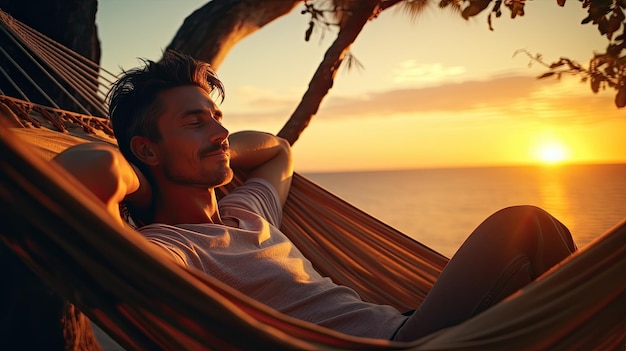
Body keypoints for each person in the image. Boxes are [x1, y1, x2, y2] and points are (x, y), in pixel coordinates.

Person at [53, 50, 577, 341]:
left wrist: (212, 147)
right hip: (396, 345)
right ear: (145, 149)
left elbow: (279, 150)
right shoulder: (173, 248)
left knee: (547, 241)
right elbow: (88, 172)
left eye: (217, 117)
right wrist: (141, 175)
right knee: (524, 227)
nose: (217, 131)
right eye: (194, 122)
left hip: (406, 324)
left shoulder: (245, 210)